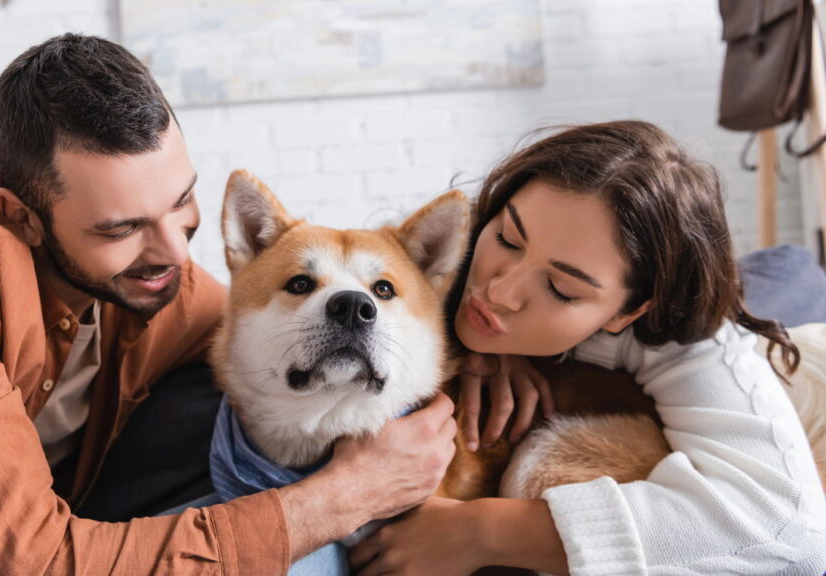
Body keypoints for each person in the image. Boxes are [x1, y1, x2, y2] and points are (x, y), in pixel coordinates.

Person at [0, 34, 457, 575]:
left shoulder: (158, 285)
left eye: (182, 203)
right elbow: (14, 562)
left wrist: (491, 357)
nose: (174, 252)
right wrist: (338, 501)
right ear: (22, 217)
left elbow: (287, 333)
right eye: (120, 230)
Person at [349, 121, 826, 575]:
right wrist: (476, 345)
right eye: (508, 239)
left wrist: (481, 532)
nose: (498, 292)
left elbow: (793, 535)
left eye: (561, 289)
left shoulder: (690, 341)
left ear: (627, 313)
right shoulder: (452, 241)